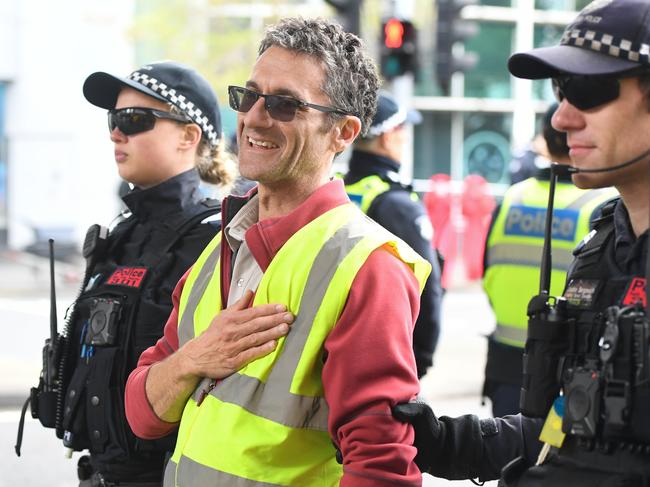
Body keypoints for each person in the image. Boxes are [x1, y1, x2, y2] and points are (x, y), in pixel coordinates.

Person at [125, 17, 430, 487]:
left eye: (285, 104)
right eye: (249, 96)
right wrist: (194, 359)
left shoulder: (369, 267)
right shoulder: (220, 246)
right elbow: (144, 415)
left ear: (344, 133)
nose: (254, 118)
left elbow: (382, 468)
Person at [393, 0, 650, 484]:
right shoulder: (602, 248)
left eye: (588, 89)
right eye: (559, 90)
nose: (560, 118)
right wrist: (443, 443)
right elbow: (560, 430)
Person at [24, 61, 283, 487]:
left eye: (135, 119)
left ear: (188, 136)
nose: (116, 133)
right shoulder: (122, 234)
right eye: (114, 119)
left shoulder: (219, 240)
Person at [482, 103, 617, 417]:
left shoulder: (512, 197)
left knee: (504, 458)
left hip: (506, 359)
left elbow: (486, 268)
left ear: (544, 137)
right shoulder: (603, 205)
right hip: (565, 365)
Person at [343, 91, 443, 379]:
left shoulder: (333, 190)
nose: (405, 139)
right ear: (387, 136)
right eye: (403, 132)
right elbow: (427, 288)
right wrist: (420, 359)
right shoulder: (397, 204)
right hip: (383, 358)